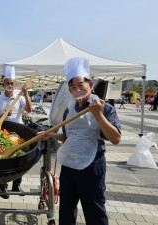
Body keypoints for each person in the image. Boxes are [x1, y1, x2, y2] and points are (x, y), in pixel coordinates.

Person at [37, 57, 121, 225]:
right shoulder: (70, 110)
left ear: (90, 85)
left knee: (94, 210)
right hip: (69, 166)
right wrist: (50, 135)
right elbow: (69, 137)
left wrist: (97, 114)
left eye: (80, 85)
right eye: (72, 87)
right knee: (66, 209)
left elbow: (116, 138)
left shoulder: (104, 107)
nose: (77, 89)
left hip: (92, 166)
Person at [0, 65, 32, 194]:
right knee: (3, 158)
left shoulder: (20, 97)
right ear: (3, 85)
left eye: (12, 83)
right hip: (2, 132)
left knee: (18, 158)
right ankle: (2, 186)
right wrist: (3, 115)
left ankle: (16, 185)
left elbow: (29, 110)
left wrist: (26, 93)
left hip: (18, 132)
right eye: (7, 83)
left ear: (15, 84)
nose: (9, 85)